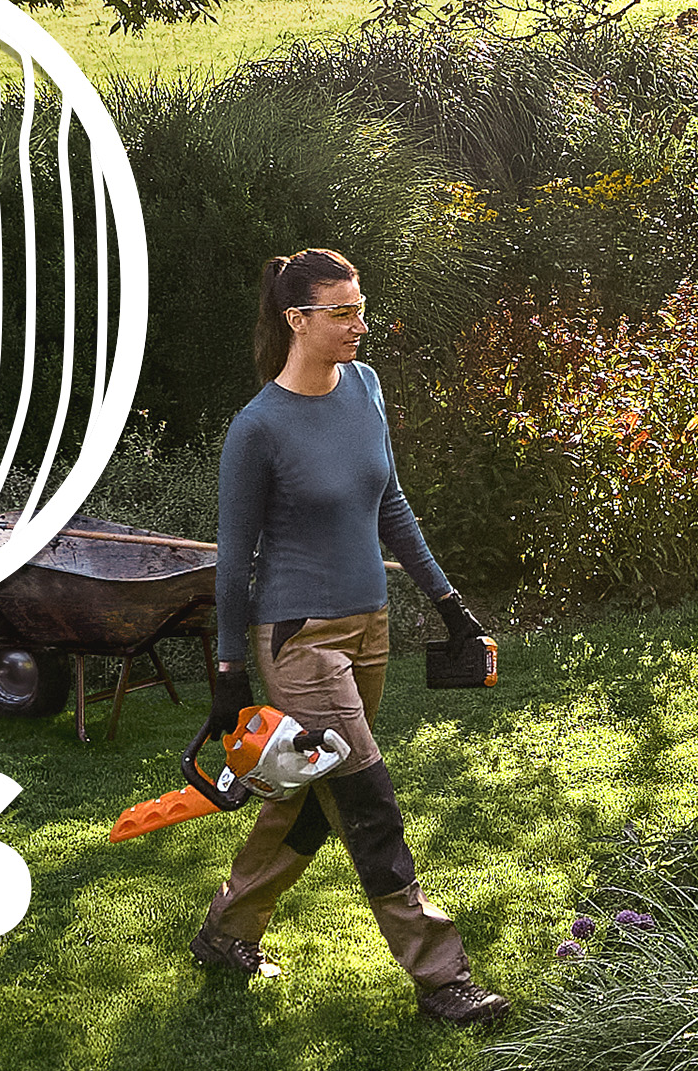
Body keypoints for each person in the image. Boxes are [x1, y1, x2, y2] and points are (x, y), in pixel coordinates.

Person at [201, 246, 509, 1026]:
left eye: (359, 307)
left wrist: (450, 606)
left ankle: (226, 931)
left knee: (310, 793)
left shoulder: (366, 388)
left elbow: (392, 508)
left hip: (368, 627)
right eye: (341, 313)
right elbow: (235, 561)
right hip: (298, 640)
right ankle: (442, 977)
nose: (359, 325)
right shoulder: (258, 428)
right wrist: (230, 669)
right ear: (295, 319)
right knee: (366, 796)